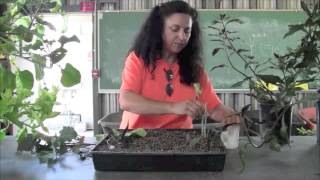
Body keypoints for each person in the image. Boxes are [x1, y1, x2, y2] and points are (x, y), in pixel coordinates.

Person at [119, 0, 240, 129]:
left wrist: (230, 116)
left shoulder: (195, 70)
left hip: (182, 141)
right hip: (138, 139)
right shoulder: (138, 60)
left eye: (187, 31)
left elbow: (213, 108)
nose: (182, 37)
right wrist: (173, 107)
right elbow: (126, 101)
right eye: (175, 29)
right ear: (159, 29)